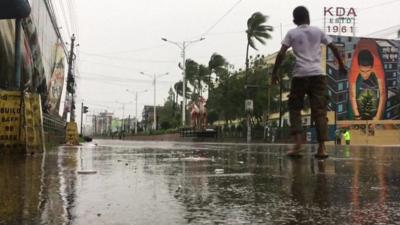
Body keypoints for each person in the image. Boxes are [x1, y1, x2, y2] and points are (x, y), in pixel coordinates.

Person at [271, 6, 346, 158]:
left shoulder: (292, 33)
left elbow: (281, 53)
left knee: (294, 108)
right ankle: (322, 148)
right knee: (319, 111)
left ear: (294, 20)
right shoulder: (318, 31)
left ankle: (298, 142)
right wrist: (342, 65)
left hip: (299, 76)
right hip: (318, 75)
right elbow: (334, 47)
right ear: (308, 18)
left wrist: (274, 72)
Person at [348, 39, 386, 121]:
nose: (365, 75)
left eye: (368, 71)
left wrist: (377, 117)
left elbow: (383, 94)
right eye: (362, 71)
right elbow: (352, 95)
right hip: (360, 44)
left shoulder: (378, 66)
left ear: (372, 68)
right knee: (354, 90)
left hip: (373, 44)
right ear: (358, 67)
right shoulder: (354, 69)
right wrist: (357, 116)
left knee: (381, 87)